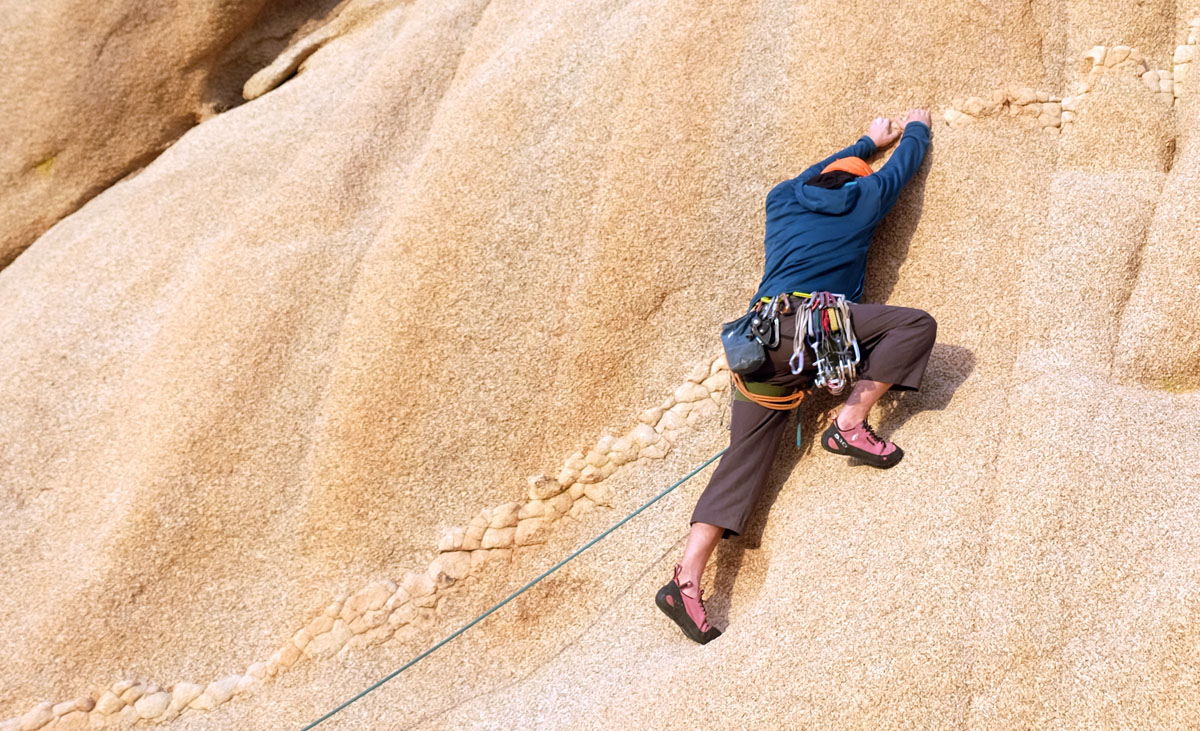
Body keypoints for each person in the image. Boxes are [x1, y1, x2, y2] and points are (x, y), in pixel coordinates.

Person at [656, 110, 937, 645]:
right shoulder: (864, 201)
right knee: (914, 325)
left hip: (756, 349)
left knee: (741, 462)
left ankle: (686, 579)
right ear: (857, 183)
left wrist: (864, 141)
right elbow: (903, 168)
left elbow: (818, 172)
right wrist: (916, 128)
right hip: (812, 331)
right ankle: (850, 422)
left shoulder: (781, 199)